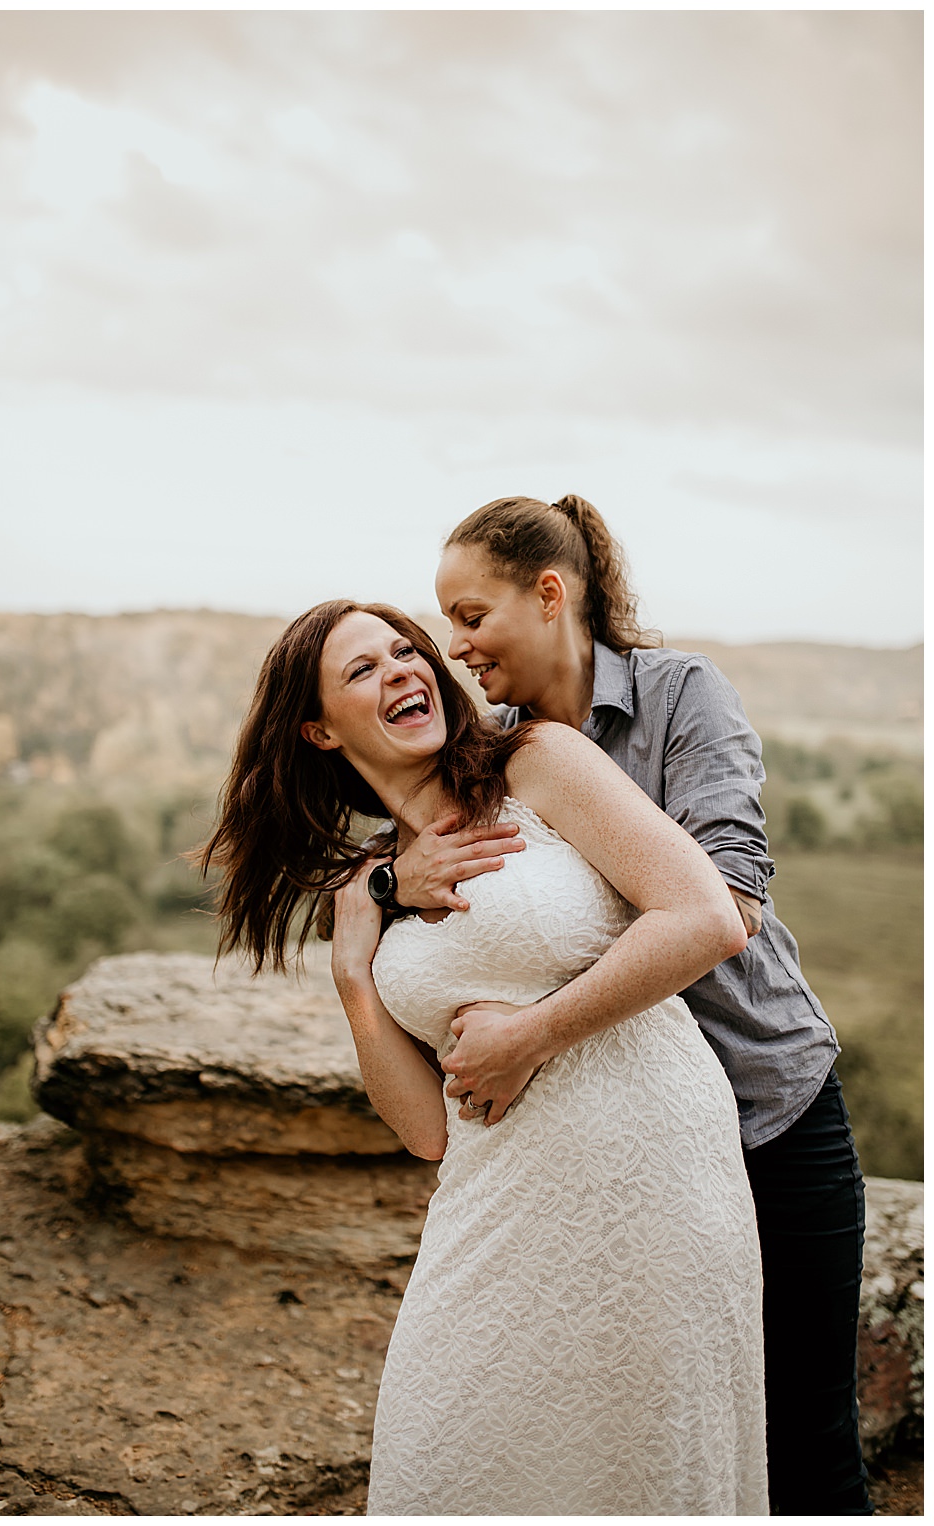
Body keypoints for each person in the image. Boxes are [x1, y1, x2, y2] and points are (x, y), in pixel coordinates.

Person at [201, 598, 768, 1515]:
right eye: (361, 670)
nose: (401, 670)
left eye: (405, 650)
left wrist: (531, 1033)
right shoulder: (372, 884)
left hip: (655, 1174)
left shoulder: (536, 763)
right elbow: (426, 1129)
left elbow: (705, 916)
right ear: (317, 730)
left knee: (643, 1465)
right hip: (492, 1202)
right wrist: (354, 973)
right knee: (444, 1456)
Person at [380, 493, 870, 1516]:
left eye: (470, 616)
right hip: (629, 1152)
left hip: (768, 1108)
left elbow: (722, 900)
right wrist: (392, 883)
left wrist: (533, 1026)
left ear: (548, 593)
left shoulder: (681, 694)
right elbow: (403, 842)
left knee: (805, 1448)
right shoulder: (498, 745)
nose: (454, 646)